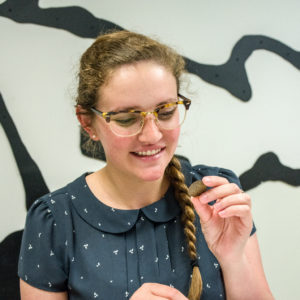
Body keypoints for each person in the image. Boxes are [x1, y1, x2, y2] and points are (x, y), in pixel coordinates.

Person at [18, 30, 274, 300]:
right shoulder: (54, 220)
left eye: (166, 112)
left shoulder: (216, 196)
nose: (152, 135)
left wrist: (233, 259)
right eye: (127, 118)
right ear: (86, 122)